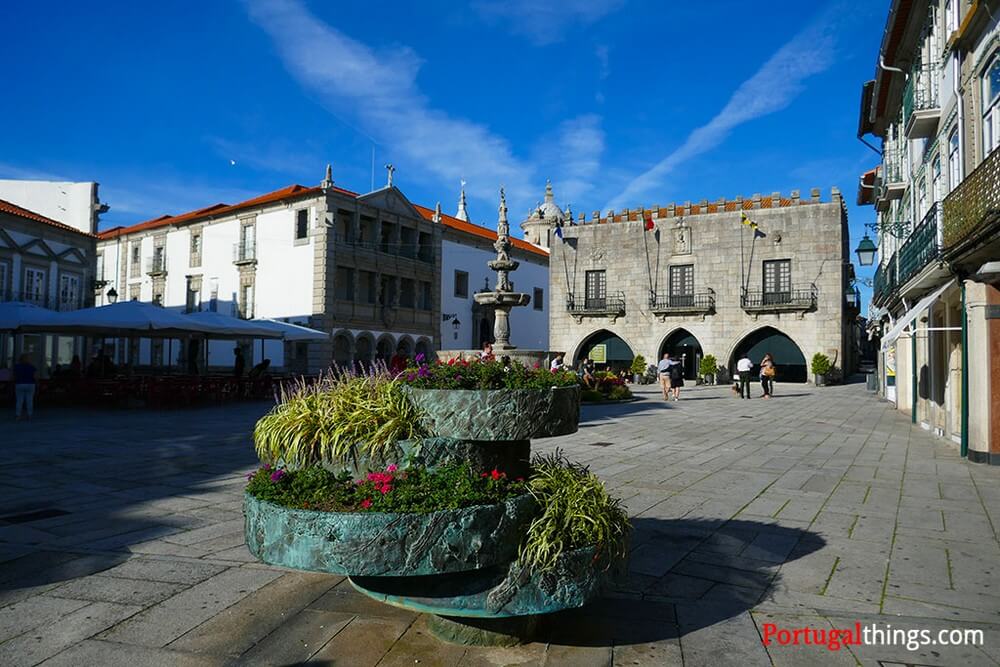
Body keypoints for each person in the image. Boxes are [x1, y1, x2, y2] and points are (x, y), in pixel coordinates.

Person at [14, 354, 36, 421]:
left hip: (19, 384)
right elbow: (35, 376)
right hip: (30, 384)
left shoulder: (17, 367)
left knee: (19, 400)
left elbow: (14, 376)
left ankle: (18, 415)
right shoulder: (32, 367)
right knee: (29, 400)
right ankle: (29, 415)